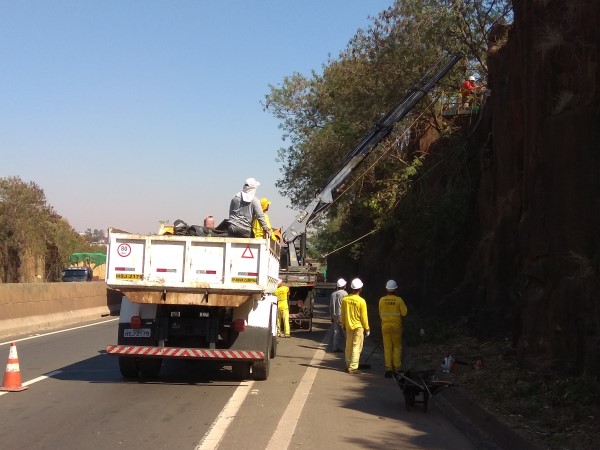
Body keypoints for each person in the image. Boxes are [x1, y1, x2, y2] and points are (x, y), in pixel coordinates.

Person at [379, 280, 408, 378]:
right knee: (397, 347)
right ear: (395, 289)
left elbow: (380, 313)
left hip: (385, 326)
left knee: (387, 347)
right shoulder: (399, 300)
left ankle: (388, 369)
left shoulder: (382, 300)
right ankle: (397, 368)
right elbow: (404, 313)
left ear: (386, 289)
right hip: (396, 326)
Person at [340, 278, 370, 374]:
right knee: (356, 346)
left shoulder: (345, 299)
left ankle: (348, 365)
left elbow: (343, 314)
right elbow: (364, 317)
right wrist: (367, 328)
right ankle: (353, 367)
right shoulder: (362, 301)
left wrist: (343, 324)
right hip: (358, 326)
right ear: (360, 288)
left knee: (348, 346)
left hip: (348, 326)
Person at [329, 278, 347, 353]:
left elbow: (330, 306)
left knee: (336, 332)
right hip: (342, 315)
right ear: (344, 286)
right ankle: (348, 348)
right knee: (346, 332)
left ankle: (335, 347)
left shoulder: (333, 294)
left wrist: (331, 316)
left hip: (334, 315)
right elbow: (346, 305)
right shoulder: (345, 294)